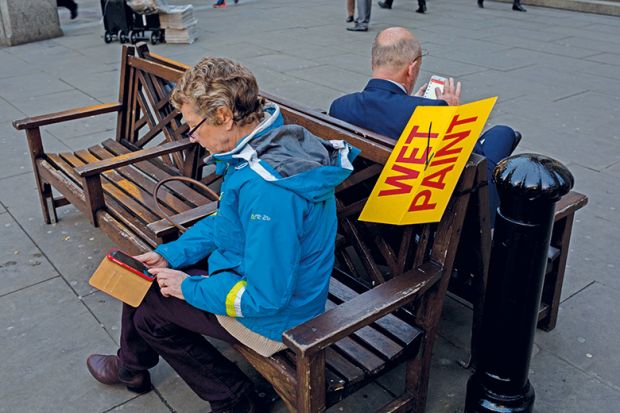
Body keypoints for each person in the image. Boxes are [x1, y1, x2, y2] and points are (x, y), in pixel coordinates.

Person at [86, 57, 358, 413]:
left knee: (148, 305)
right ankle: (134, 369)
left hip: (280, 317)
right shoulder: (262, 144)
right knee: (144, 279)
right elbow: (227, 223)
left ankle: (231, 398)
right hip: (270, 281)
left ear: (224, 116)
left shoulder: (267, 189)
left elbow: (266, 297)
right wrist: (173, 254)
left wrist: (188, 288)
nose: (192, 137)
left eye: (193, 126)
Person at [329, 27, 521, 224]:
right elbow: (469, 160)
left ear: (373, 62)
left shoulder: (339, 107)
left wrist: (410, 102)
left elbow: (385, 113)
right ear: (411, 69)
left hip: (356, 209)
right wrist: (453, 116)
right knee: (502, 134)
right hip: (415, 217)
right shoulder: (433, 113)